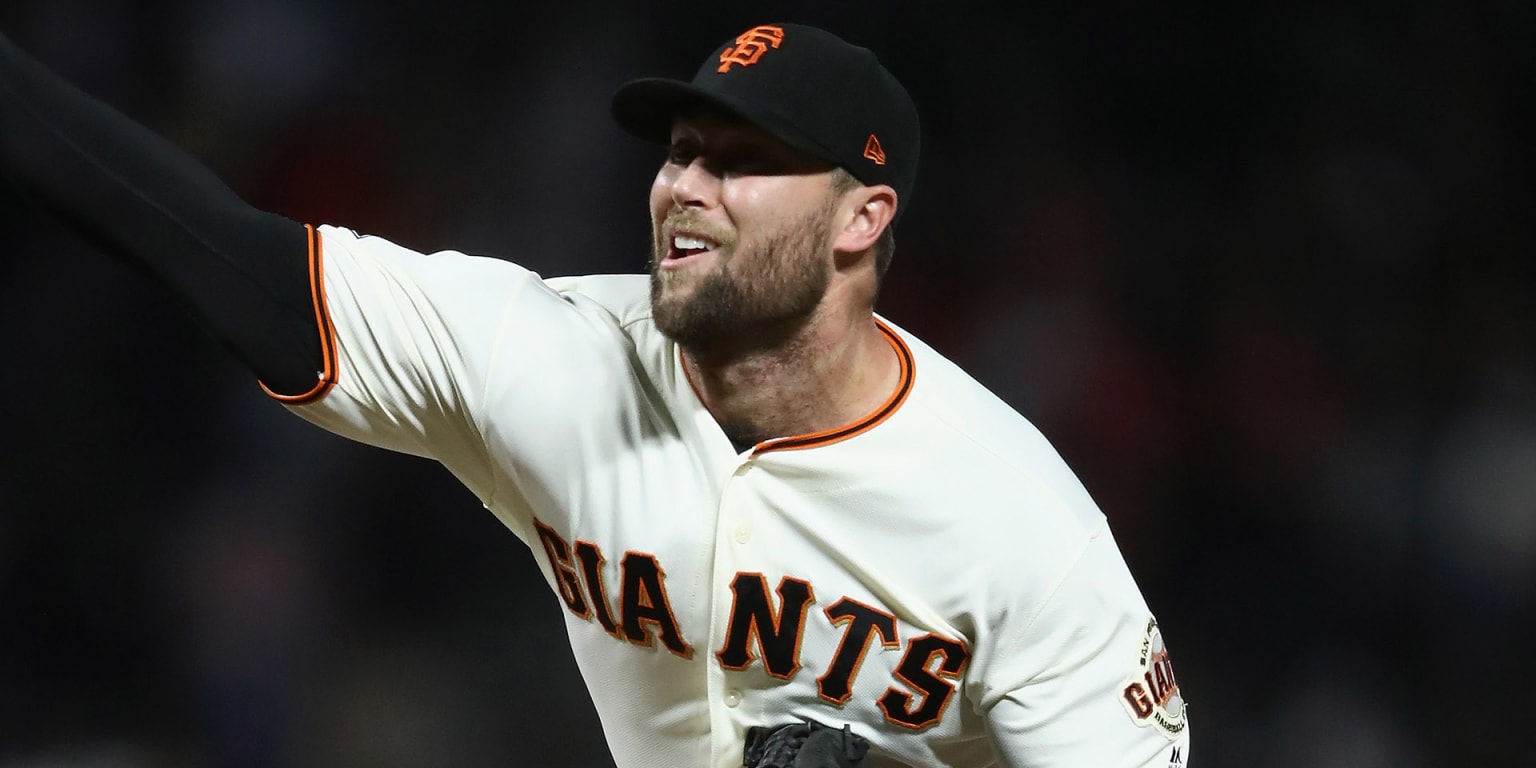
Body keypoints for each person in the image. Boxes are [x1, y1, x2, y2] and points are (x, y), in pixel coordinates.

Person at [1, 20, 1190, 768]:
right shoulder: (551, 351)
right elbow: (205, 244)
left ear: (862, 218)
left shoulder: (1024, 529)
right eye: (680, 150)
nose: (685, 186)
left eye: (742, 161)